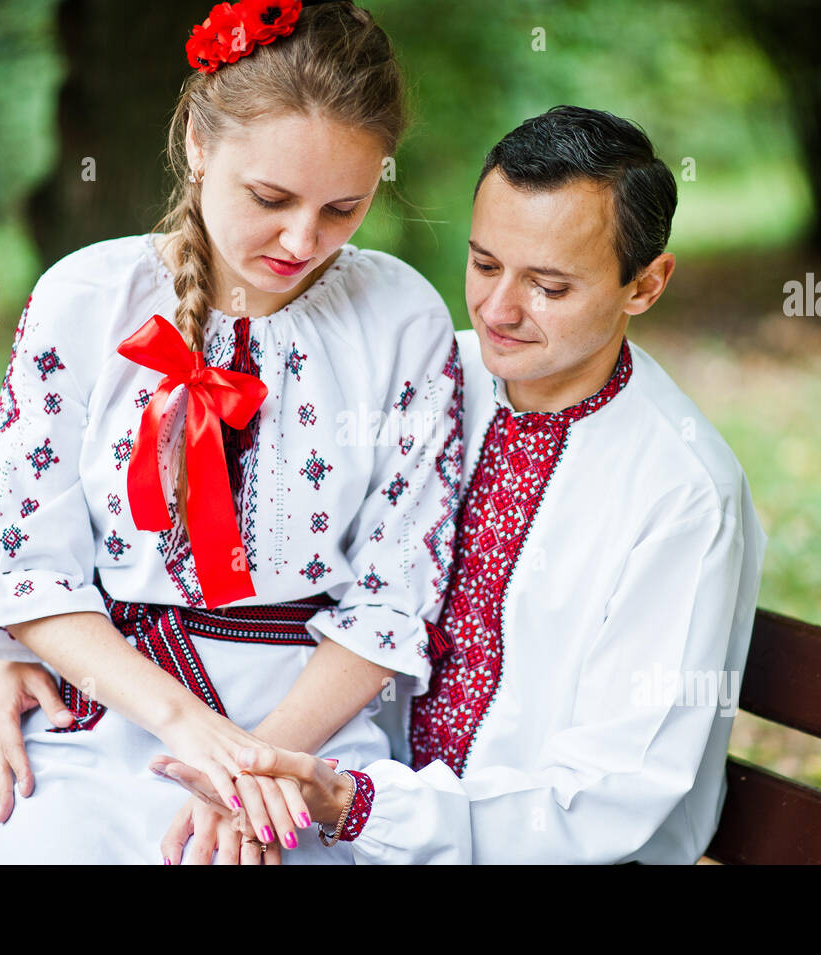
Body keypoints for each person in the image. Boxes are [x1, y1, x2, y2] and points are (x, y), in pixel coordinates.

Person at [155, 105, 768, 863]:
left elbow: (616, 790)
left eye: (549, 286)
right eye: (484, 264)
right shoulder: (428, 373)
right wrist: (20, 642)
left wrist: (356, 803)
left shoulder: (680, 492)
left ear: (644, 285)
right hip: (341, 818)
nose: (498, 310)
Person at [0, 0, 464, 864]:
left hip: (315, 733)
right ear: (197, 140)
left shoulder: (401, 319)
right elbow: (31, 562)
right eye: (270, 197)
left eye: (345, 207)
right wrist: (197, 735)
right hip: (115, 708)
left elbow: (394, 594)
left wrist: (262, 767)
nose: (304, 239)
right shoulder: (84, 300)